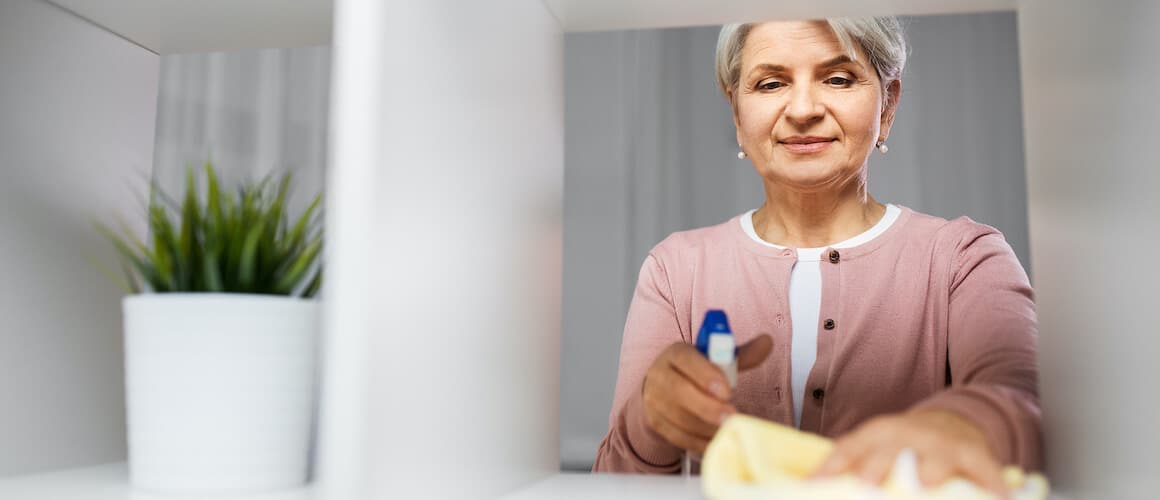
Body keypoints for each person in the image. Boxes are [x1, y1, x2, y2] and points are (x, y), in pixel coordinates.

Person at [591, 17, 1041, 494]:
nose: (803, 109)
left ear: (887, 106)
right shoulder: (675, 269)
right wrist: (652, 416)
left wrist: (966, 425)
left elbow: (1025, 401)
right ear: (737, 112)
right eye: (770, 83)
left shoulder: (965, 258)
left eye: (838, 78)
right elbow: (614, 486)